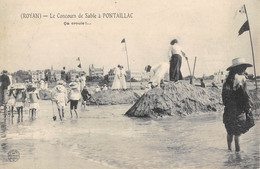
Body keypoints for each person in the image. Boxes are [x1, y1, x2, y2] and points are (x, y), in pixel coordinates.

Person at [222, 57, 255, 152]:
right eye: (243, 67)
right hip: (238, 109)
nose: (245, 69)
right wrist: (248, 107)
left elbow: (224, 97)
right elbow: (245, 94)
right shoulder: (241, 79)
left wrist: (228, 105)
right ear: (239, 68)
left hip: (228, 110)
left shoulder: (226, 79)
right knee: (237, 133)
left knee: (229, 132)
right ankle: (238, 156)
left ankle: (229, 151)